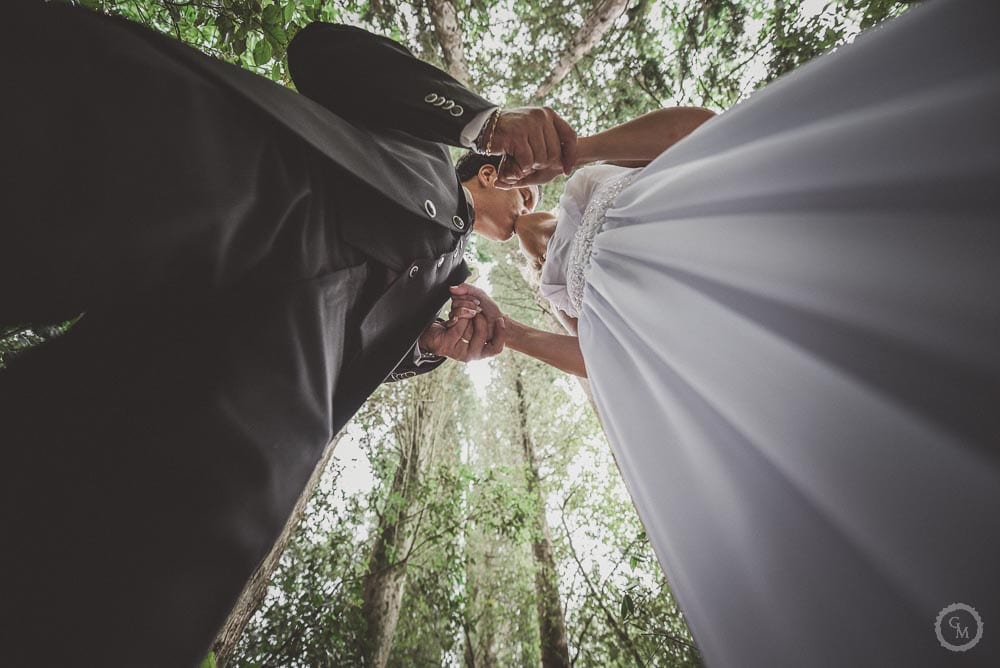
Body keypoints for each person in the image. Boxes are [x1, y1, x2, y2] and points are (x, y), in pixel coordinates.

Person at [0, 2, 571, 665]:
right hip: (221, 171)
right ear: (492, 172)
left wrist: (427, 345)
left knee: (109, 576)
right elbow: (319, 52)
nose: (528, 208)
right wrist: (484, 120)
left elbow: (358, 351)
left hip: (251, 389)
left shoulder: (449, 291)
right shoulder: (422, 143)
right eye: (527, 195)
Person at [455, 0, 1000, 665]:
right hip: (678, 347)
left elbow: (706, 132)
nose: (478, 221)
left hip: (710, 238)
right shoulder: (543, 279)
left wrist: (576, 153)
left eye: (475, 205)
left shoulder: (580, 177)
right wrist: (509, 332)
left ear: (489, 176)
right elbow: (596, 356)